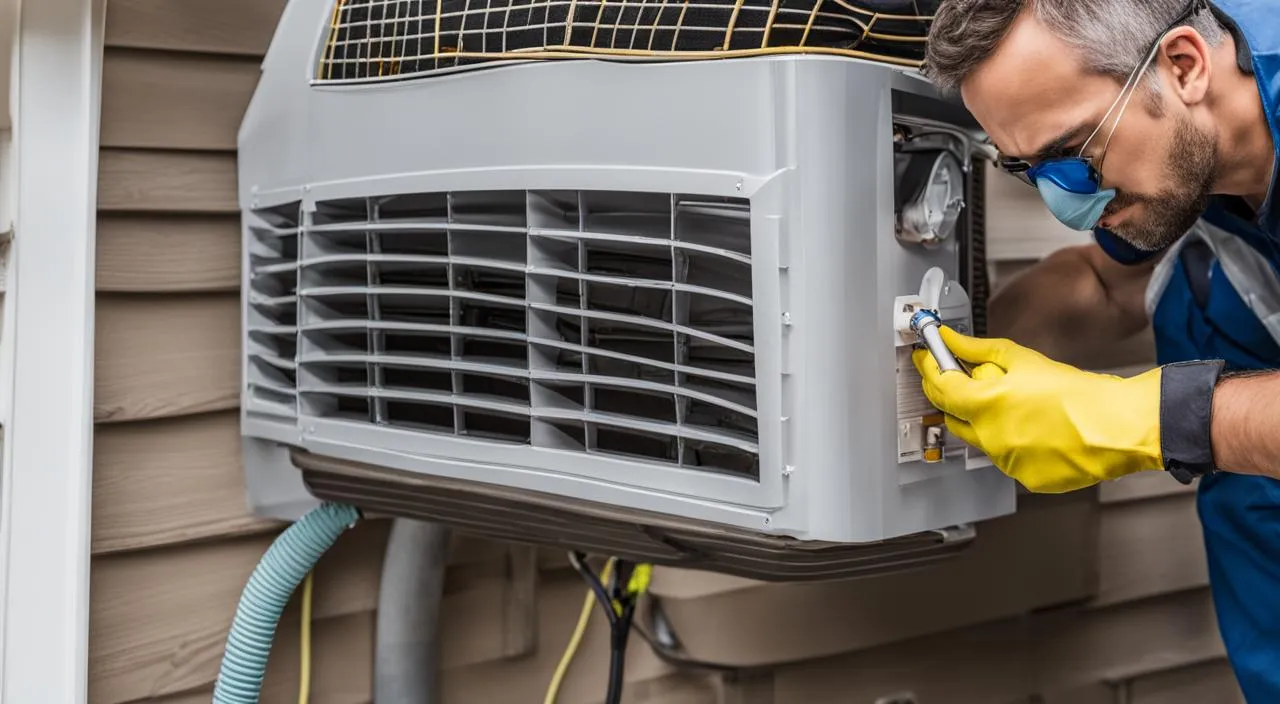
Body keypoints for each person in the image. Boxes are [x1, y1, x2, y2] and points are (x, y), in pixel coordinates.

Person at [917, 0, 1278, 698]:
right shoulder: (1191, 154)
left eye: (1074, 155)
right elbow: (1105, 284)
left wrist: (1140, 418)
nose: (1064, 204)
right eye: (1030, 171)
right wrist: (935, 354)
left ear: (1184, 65)